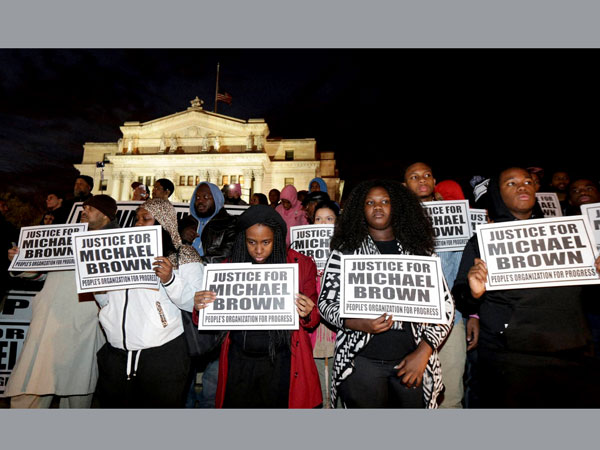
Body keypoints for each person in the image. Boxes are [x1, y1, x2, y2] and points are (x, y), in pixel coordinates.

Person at [452, 167, 600, 407]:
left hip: (569, 350)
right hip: (510, 357)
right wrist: (474, 293)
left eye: (527, 181)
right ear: (498, 195)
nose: (522, 186)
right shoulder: (482, 240)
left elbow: (589, 298)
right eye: (511, 183)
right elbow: (462, 298)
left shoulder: (570, 233)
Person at [318, 179, 454, 408]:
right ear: (361, 209)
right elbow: (326, 303)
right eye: (370, 202)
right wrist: (358, 323)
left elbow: (446, 307)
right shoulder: (345, 253)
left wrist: (423, 352)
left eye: (385, 201)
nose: (378, 207)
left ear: (397, 207)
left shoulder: (420, 254)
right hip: (360, 363)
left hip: (412, 362)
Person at [193, 205, 322, 408]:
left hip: (282, 362)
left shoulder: (301, 264)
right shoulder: (228, 267)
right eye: (251, 242)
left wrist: (308, 311)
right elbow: (208, 318)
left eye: (266, 242)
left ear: (277, 239)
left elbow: (313, 318)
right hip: (239, 361)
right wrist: (201, 306)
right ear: (243, 240)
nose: (258, 250)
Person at [3, 195, 117, 408]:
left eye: (90, 208)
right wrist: (20, 262)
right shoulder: (66, 238)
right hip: (48, 324)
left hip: (84, 326)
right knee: (30, 386)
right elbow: (41, 274)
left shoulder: (115, 245)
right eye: (84, 207)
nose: (84, 211)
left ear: (105, 215)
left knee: (76, 393)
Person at [93, 198, 204, 408]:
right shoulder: (121, 256)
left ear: (163, 223)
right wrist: (99, 289)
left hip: (162, 355)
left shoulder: (183, 255)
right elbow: (107, 301)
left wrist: (170, 280)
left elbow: (197, 303)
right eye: (137, 219)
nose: (138, 224)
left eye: (146, 219)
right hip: (116, 354)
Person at [403, 162, 469, 409]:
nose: (422, 180)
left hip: (452, 319)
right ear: (405, 185)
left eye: (427, 175)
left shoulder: (457, 219)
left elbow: (466, 269)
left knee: (450, 397)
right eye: (414, 176)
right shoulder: (393, 221)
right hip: (408, 323)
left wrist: (472, 314)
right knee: (410, 395)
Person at [188, 181, 237, 407]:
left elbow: (226, 255)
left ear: (217, 200)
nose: (201, 201)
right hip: (185, 302)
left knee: (214, 366)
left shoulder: (230, 224)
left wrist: (192, 257)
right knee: (184, 361)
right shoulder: (183, 224)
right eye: (198, 197)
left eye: (207, 197)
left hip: (214, 299)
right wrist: (181, 240)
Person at [309, 200, 339, 407]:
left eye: (329, 219)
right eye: (318, 219)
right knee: (318, 380)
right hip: (312, 327)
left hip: (338, 327)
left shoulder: (348, 250)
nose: (323, 223)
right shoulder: (302, 253)